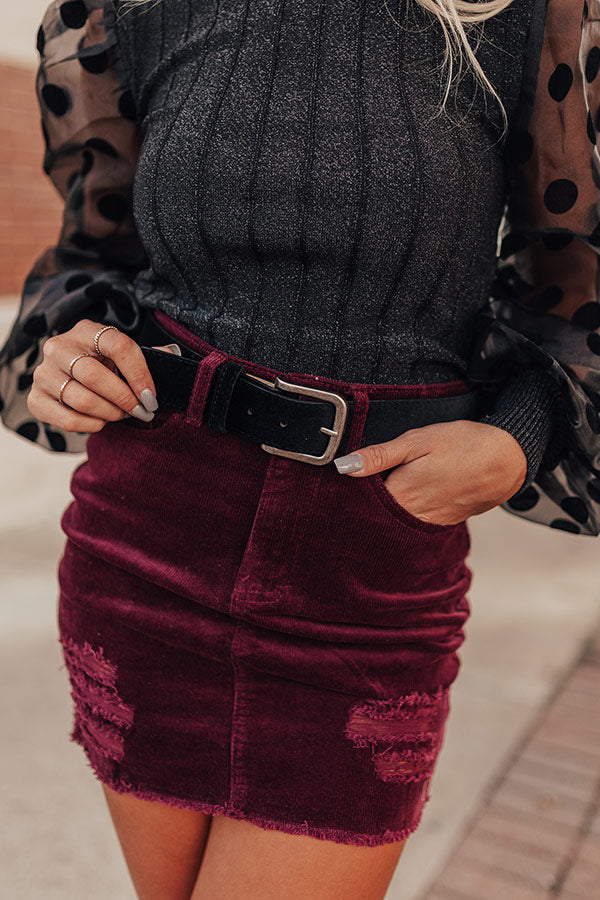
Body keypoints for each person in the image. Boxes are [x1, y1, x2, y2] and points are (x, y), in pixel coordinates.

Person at [0, 0, 599, 897]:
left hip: (367, 570)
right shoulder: (128, 9)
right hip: (148, 537)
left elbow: (576, 292)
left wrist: (518, 439)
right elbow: (95, 255)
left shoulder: (534, 17)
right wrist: (71, 350)